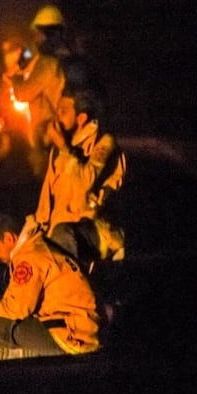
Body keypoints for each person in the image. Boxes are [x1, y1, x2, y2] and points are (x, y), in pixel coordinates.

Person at [0, 213, 101, 361]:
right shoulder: (34, 249)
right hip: (77, 328)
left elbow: (17, 309)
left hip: (71, 335)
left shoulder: (29, 258)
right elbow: (14, 300)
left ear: (9, 238)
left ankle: (25, 356)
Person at [34, 88, 126, 270]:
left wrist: (64, 148)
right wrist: (36, 228)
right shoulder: (61, 148)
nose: (57, 117)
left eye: (63, 112)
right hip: (59, 228)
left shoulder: (104, 143)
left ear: (81, 118)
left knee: (61, 235)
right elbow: (48, 195)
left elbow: (83, 183)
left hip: (93, 230)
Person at [8, 5, 68, 175]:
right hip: (70, 133)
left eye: (38, 34)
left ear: (47, 34)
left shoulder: (47, 63)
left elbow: (22, 94)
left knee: (49, 188)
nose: (36, 39)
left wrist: (16, 78)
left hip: (49, 137)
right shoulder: (70, 58)